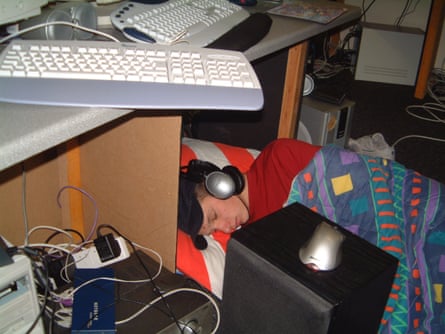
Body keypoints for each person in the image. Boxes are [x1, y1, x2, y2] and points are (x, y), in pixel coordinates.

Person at [178, 138, 321, 249]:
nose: (226, 228)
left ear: (219, 183)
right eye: (213, 230)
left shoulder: (280, 159)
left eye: (214, 216)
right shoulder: (254, 241)